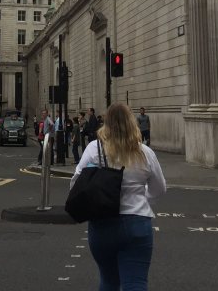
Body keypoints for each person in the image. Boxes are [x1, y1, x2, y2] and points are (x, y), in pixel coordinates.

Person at [71, 102, 166, 291]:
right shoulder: (145, 152)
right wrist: (142, 198)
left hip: (102, 222)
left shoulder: (94, 149)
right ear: (132, 122)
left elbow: (75, 183)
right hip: (138, 223)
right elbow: (159, 188)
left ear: (106, 123)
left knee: (109, 282)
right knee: (136, 283)